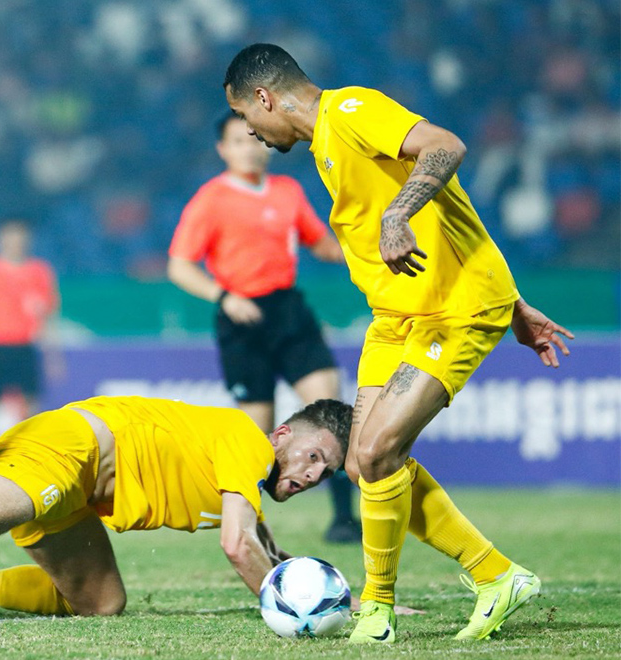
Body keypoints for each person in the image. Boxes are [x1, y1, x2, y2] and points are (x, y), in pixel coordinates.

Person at [223, 43, 574, 643]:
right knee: (362, 465)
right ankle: (497, 577)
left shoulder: (353, 111)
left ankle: (377, 611)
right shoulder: (324, 147)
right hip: (397, 317)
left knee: (381, 447)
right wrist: (516, 304)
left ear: (264, 98)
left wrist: (397, 214)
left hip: (452, 310)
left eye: (247, 119)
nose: (251, 134)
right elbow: (455, 220)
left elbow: (447, 146)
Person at [0, 395, 351, 626]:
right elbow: (239, 547)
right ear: (281, 435)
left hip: (80, 493)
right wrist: (293, 618)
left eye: (325, 472)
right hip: (71, 450)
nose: (311, 475)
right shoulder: (247, 443)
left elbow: (272, 556)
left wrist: (347, 601)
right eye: (313, 456)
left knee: (101, 604)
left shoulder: (247, 488)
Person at [168, 113, 361, 544]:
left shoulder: (287, 191)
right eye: (238, 141)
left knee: (330, 411)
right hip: (241, 319)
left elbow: (322, 244)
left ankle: (345, 520)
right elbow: (179, 266)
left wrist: (365, 248)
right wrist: (224, 297)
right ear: (223, 150)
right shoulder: (211, 199)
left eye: (255, 139)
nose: (250, 148)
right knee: (258, 435)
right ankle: (251, 530)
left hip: (289, 312)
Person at [0, 218, 62, 462]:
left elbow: (48, 316)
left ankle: (27, 456)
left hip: (26, 346)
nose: (15, 242)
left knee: (30, 403)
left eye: (20, 237)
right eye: (10, 237)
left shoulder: (39, 272)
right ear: (0, 240)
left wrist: (52, 355)